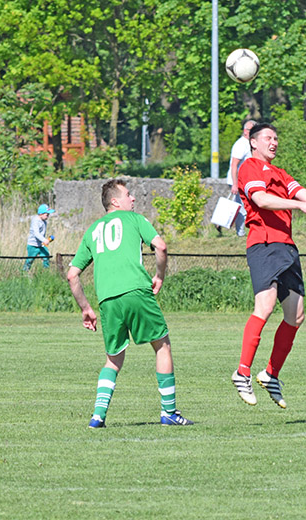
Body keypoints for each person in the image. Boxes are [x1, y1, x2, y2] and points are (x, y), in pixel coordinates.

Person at [66, 179, 193, 428]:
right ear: (115, 201)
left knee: (113, 359)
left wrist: (86, 309)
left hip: (108, 300)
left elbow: (72, 275)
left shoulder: (92, 231)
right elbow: (161, 246)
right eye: (128, 194)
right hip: (136, 291)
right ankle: (169, 412)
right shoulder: (135, 220)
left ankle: (97, 416)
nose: (133, 198)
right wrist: (159, 276)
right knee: (162, 346)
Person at [230, 123, 306, 409]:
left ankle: (270, 374)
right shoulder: (249, 167)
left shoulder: (281, 173)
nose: (274, 142)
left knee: (296, 315)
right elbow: (260, 199)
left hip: (286, 246)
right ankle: (242, 372)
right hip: (264, 243)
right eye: (268, 138)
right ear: (254, 142)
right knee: (265, 306)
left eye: (276, 138)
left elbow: (305, 196)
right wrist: (299, 206)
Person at [219, 119, 256, 237]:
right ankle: (240, 233)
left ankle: (244, 231)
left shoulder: (249, 143)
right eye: (251, 130)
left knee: (245, 206)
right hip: (238, 181)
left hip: (245, 181)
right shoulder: (241, 144)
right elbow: (234, 165)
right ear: (245, 131)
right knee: (241, 208)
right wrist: (235, 184)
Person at [23, 204, 54, 270]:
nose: (48, 216)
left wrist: (45, 241)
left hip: (41, 244)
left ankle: (46, 270)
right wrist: (44, 240)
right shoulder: (36, 221)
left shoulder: (44, 222)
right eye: (47, 214)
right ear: (41, 214)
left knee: (46, 256)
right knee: (30, 260)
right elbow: (36, 233)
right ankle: (24, 271)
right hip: (33, 245)